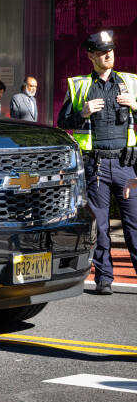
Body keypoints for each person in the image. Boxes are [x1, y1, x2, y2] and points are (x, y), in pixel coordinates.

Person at [58, 30, 137, 295]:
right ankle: (104, 278)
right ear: (91, 55)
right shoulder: (80, 86)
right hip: (98, 168)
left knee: (134, 224)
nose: (109, 54)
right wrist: (82, 112)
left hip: (127, 167)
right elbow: (63, 123)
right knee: (101, 227)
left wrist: (136, 105)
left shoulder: (130, 83)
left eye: (111, 50)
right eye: (102, 51)